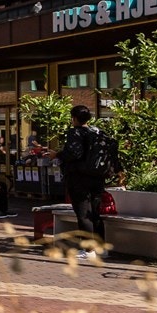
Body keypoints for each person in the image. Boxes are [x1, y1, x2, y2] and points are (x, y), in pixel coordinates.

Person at [58, 104, 105, 256]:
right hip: (97, 177)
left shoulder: (75, 132)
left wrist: (57, 155)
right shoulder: (98, 132)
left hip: (79, 178)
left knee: (83, 213)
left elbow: (74, 154)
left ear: (75, 118)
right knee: (95, 213)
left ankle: (88, 249)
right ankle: (101, 248)